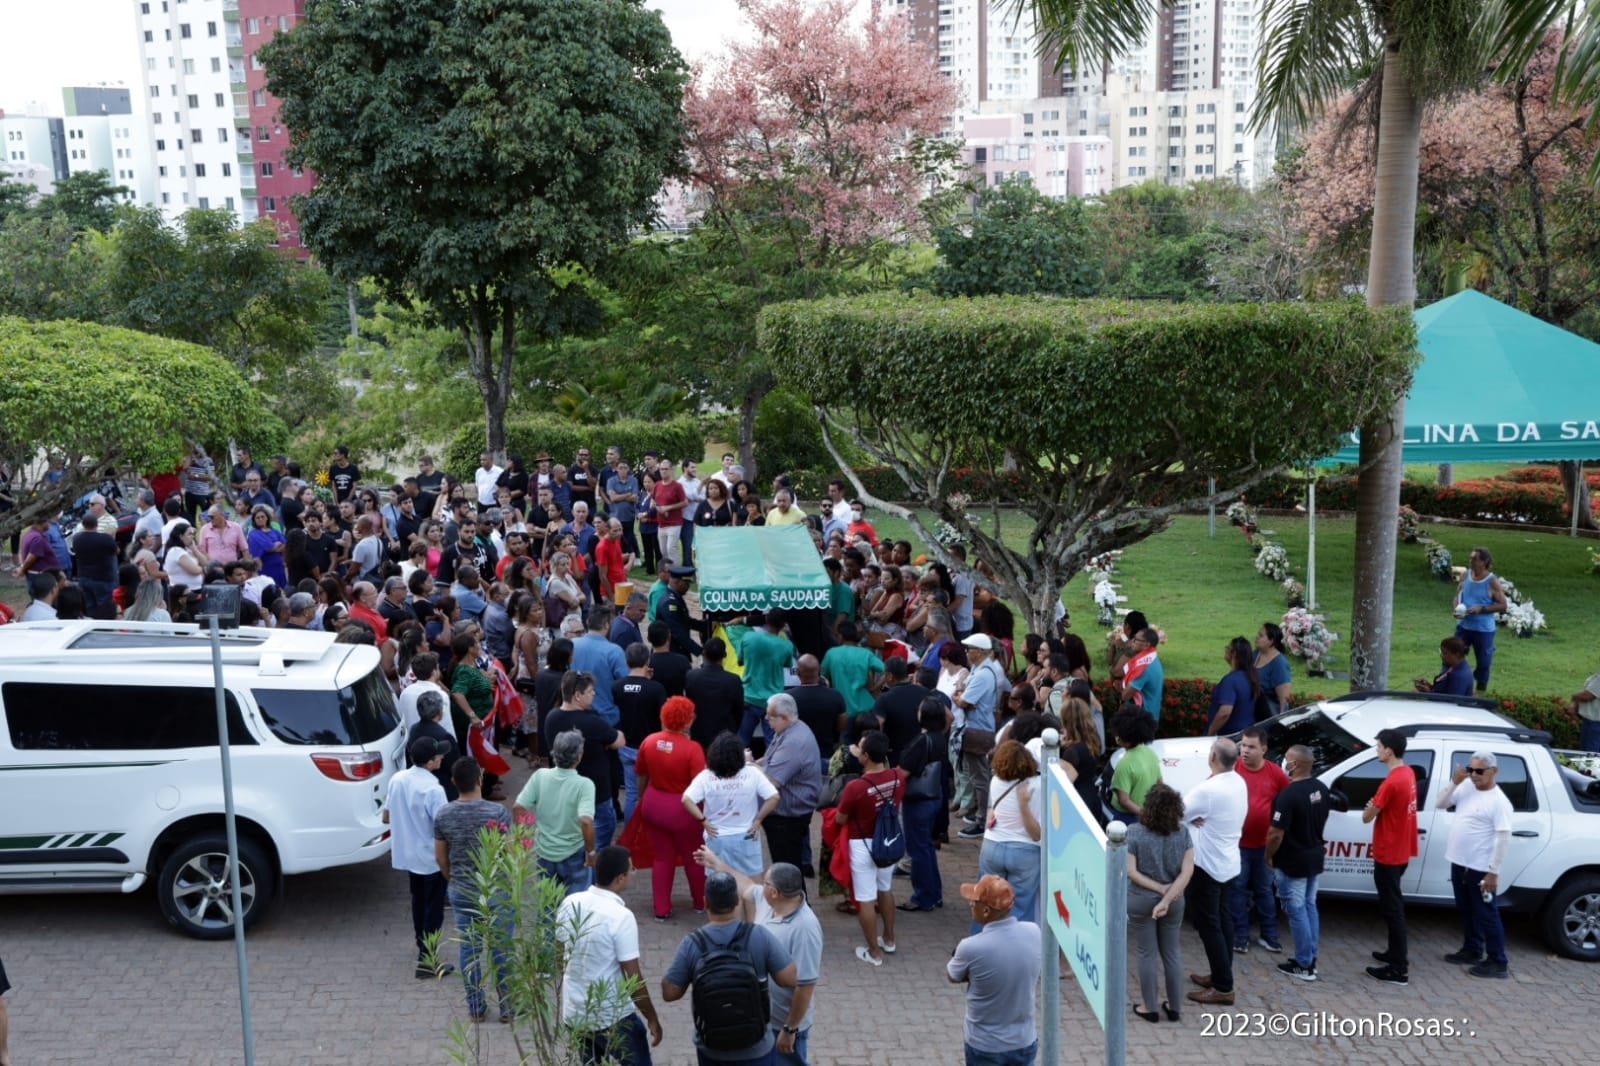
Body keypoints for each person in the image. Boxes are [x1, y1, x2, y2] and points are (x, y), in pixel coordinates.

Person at [693, 853, 823, 1066]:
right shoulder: (769, 901)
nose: (760, 886)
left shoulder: (805, 929)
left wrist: (790, 1029)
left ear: (775, 892)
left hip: (784, 1024)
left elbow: (806, 985)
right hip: (761, 1019)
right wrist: (717, 863)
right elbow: (745, 885)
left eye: (765, 883)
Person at [660, 871, 798, 1066]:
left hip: (712, 1050)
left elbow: (670, 993)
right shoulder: (758, 935)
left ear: (705, 901)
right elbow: (789, 979)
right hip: (756, 1048)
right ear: (736, 901)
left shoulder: (692, 943)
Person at [556, 845, 664, 1066]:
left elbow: (560, 954)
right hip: (612, 1016)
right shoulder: (621, 917)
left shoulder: (570, 902)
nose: (632, 875)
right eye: (632, 871)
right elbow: (632, 976)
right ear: (620, 878)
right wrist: (652, 1018)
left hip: (576, 1011)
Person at [433, 757, 513, 1022]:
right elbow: (510, 852)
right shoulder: (497, 813)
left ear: (454, 782)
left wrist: (452, 878)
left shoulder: (444, 814)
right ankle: (508, 1008)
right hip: (495, 889)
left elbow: (441, 858)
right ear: (480, 779)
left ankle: (476, 1008)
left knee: (469, 948)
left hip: (462, 889)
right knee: (501, 948)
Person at [948, 874, 1041, 1066]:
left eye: (974, 903)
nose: (971, 906)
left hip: (986, 1045)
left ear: (986, 911)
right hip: (1023, 1040)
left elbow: (953, 975)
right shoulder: (1033, 931)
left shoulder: (970, 947)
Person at [1437, 751, 1515, 978]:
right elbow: (1441, 803)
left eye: (1480, 771)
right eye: (1471, 770)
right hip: (1460, 863)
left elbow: (1503, 837)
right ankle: (1472, 949)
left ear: (1494, 771)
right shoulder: (1466, 787)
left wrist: (1494, 872)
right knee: (1466, 909)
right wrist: (1455, 781)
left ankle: (1498, 961)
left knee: (1487, 914)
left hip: (1481, 867)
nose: (1474, 775)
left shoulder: (1499, 801)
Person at [1182, 737, 1248, 1007]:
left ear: (1212, 758)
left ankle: (1223, 987)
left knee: (1209, 926)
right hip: (1228, 864)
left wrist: (1189, 818)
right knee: (1223, 922)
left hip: (1208, 867)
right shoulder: (1237, 782)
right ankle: (1222, 974)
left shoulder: (1208, 791)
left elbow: (1177, 811)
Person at [835, 730, 907, 967]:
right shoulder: (898, 777)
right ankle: (889, 938)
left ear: (865, 756)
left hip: (863, 845)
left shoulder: (855, 787)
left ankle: (874, 952)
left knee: (866, 899)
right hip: (887, 843)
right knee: (885, 889)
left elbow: (841, 819)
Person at [384, 737, 454, 979]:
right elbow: (443, 826)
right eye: (438, 756)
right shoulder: (434, 789)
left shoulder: (398, 779)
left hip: (408, 855)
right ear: (431, 762)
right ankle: (428, 961)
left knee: (418, 902)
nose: (442, 758)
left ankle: (421, 944)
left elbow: (386, 816)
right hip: (431, 858)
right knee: (434, 908)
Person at [635, 696, 710, 920]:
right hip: (683, 811)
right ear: (687, 721)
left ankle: (661, 908)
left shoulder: (649, 741)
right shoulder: (693, 749)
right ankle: (700, 902)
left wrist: (643, 799)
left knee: (661, 858)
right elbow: (701, 786)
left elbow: (641, 773)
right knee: (695, 857)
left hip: (653, 804)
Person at [1124, 782, 1193, 1023]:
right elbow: (1187, 872)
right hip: (1174, 901)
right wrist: (1168, 894)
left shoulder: (1133, 832)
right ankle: (1175, 1008)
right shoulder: (1183, 832)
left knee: (1146, 953)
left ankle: (1149, 1007)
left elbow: (1131, 872)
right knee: (1172, 952)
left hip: (1140, 900)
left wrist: (1158, 889)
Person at [542, 671, 625, 850]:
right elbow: (619, 741)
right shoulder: (592, 723)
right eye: (590, 691)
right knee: (597, 845)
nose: (594, 694)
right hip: (596, 795)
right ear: (578, 695)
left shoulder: (551, 718)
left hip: (565, 792)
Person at [1266, 744, 1329, 982]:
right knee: (1309, 906)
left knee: (1296, 911)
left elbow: (1275, 833)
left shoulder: (1288, 795)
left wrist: (1268, 855)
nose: (1284, 762)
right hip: (1314, 857)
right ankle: (1309, 957)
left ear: (1296, 765)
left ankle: (1304, 963)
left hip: (1293, 861)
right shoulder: (1321, 789)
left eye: (1287, 759)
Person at [513, 728, 598, 896]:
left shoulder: (540, 776)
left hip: (544, 851)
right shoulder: (584, 784)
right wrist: (591, 852)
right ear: (579, 755)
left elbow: (518, 807)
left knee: (547, 907)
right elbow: (586, 821)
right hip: (574, 853)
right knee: (574, 908)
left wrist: (525, 835)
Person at [1363, 727, 1418, 985]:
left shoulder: (1392, 781)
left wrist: (1369, 809)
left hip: (1388, 852)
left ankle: (1399, 968)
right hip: (1401, 850)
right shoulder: (1407, 774)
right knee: (1391, 905)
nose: (1377, 750)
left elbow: (1367, 816)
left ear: (1389, 750)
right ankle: (1394, 954)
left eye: (1378, 746)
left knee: (1392, 908)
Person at [685, 733, 781, 877]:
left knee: (720, 889)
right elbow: (774, 797)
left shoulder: (705, 776)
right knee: (752, 887)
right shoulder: (752, 773)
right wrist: (758, 820)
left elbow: (687, 800)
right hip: (747, 835)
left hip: (717, 837)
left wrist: (703, 821)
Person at [973, 739, 1041, 932]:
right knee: (1020, 906)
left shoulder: (996, 781)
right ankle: (1016, 953)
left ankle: (979, 942)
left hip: (993, 845)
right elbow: (1037, 834)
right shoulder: (1037, 785)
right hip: (1025, 852)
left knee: (985, 899)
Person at [1231, 726, 1289, 955]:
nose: (1245, 751)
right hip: (1238, 845)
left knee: (1265, 891)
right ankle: (1240, 936)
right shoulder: (1232, 769)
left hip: (1265, 846)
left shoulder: (1276, 774)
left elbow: (1289, 801)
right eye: (1243, 745)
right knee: (1238, 890)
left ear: (1264, 749)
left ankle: (1269, 936)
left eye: (1251, 747)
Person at [896, 698, 952, 912]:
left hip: (918, 801)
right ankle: (933, 893)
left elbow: (904, 772)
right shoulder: (940, 737)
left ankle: (923, 896)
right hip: (934, 798)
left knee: (918, 850)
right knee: (926, 848)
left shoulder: (922, 741)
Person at [760, 693, 823, 874]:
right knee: (789, 868)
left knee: (786, 871)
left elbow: (771, 782)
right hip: (789, 812)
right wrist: (753, 764)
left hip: (787, 816)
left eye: (770, 716)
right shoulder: (789, 729)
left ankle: (794, 901)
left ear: (785, 717)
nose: (766, 718)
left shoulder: (793, 742)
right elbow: (770, 759)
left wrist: (750, 769)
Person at [954, 633, 1005, 838]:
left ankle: (982, 820)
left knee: (980, 778)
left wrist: (959, 695)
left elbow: (963, 701)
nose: (966, 652)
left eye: (970, 649)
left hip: (978, 730)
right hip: (979, 728)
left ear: (981, 651)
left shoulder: (983, 674)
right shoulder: (981, 669)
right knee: (978, 776)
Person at [737, 609, 798, 752]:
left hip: (749, 699)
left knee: (741, 741)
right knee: (772, 744)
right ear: (783, 625)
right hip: (773, 703)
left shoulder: (748, 637)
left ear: (765, 619)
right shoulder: (787, 646)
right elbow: (787, 665)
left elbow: (740, 661)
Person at [1453, 546, 1507, 692]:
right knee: (1453, 656)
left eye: (1474, 559)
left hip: (1483, 630)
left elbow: (1503, 605)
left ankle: (1481, 690)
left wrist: (1481, 609)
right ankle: (1453, 686)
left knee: (1483, 663)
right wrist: (1456, 608)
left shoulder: (1491, 581)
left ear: (1484, 562)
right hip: (1463, 626)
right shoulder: (1466, 575)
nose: (1471, 561)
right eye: (1470, 558)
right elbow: (1458, 594)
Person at [787, 655, 846, 771]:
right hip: (826, 755)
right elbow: (842, 726)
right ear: (820, 670)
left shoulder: (788, 698)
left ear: (798, 672)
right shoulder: (835, 696)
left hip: (796, 758)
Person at [687, 637, 745, 751]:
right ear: (724, 655)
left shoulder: (691, 676)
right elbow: (739, 711)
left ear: (704, 654)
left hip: (699, 734)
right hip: (724, 736)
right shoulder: (733, 680)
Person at [1106, 707, 1160, 826]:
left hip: (1125, 818)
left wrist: (1145, 814)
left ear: (1125, 738)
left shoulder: (1124, 764)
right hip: (1145, 810)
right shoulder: (1150, 752)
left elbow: (1124, 801)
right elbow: (1160, 783)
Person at [1208, 637, 1261, 736]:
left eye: (1228, 648)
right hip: (1246, 733)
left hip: (1230, 736)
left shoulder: (1230, 680)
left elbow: (1225, 712)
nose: (1226, 651)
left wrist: (1211, 731)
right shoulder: (1251, 676)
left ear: (1234, 654)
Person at [1117, 627, 1165, 722]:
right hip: (1149, 716)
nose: (1132, 641)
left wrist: (1121, 689)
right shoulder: (1152, 659)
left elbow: (1126, 695)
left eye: (1136, 639)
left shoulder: (1143, 667)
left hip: (1141, 720)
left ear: (1146, 645)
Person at [1254, 622, 1293, 717]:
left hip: (1265, 714)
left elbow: (1284, 699)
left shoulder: (1279, 664)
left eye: (1261, 635)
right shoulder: (1256, 653)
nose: (1257, 637)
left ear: (1271, 641)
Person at [1573, 671, 1600, 754]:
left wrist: (1574, 697)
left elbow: (1588, 695)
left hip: (1595, 724)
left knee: (1590, 756)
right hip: (1592, 723)